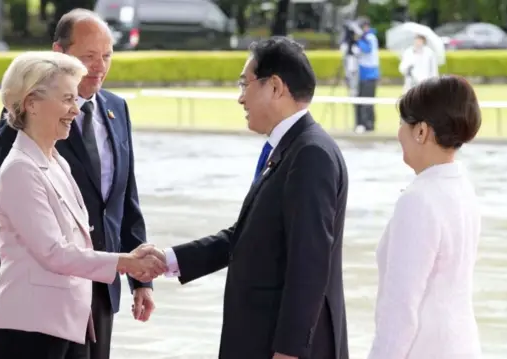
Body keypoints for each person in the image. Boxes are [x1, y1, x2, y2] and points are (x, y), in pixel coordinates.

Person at [141, 37, 350, 359]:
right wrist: (169, 259)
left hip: (282, 347)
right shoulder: (291, 149)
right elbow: (249, 235)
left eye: (245, 84)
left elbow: (310, 262)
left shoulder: (310, 154)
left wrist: (289, 351)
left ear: (276, 86)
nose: (240, 99)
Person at [0, 9, 155, 359]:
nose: (75, 109)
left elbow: (125, 200)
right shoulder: (20, 159)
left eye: (107, 56)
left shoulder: (61, 158)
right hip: (40, 309)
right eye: (89, 56)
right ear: (32, 103)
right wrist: (127, 262)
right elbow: (34, 244)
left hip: (89, 297)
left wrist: (138, 276)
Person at [367, 75, 482, 359]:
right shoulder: (461, 185)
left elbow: (400, 310)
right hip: (462, 345)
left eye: (402, 123)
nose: (398, 133)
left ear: (421, 131)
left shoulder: (418, 200)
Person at [354, 16, 380, 134]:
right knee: (359, 100)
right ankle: (360, 123)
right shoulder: (364, 38)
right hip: (361, 75)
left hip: (370, 75)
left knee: (367, 102)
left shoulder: (370, 37)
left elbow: (367, 49)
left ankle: (369, 125)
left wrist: (358, 39)